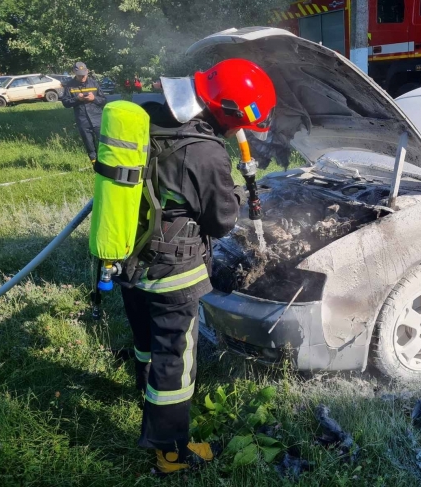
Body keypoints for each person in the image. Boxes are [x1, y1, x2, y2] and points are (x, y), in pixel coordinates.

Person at [117, 58, 276, 474]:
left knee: (145, 337)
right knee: (175, 360)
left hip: (128, 256)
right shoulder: (205, 152)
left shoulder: (147, 115)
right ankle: (170, 454)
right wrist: (237, 194)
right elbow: (221, 221)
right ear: (228, 114)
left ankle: (144, 391)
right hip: (173, 272)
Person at [62, 62, 106, 163]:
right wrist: (77, 99)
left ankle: (106, 164)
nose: (82, 77)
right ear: (74, 72)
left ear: (87, 71)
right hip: (82, 120)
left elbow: (104, 100)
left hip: (98, 118)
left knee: (104, 142)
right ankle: (94, 165)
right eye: (80, 75)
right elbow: (65, 103)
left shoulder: (94, 83)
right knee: (89, 144)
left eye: (84, 75)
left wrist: (94, 98)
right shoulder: (69, 86)